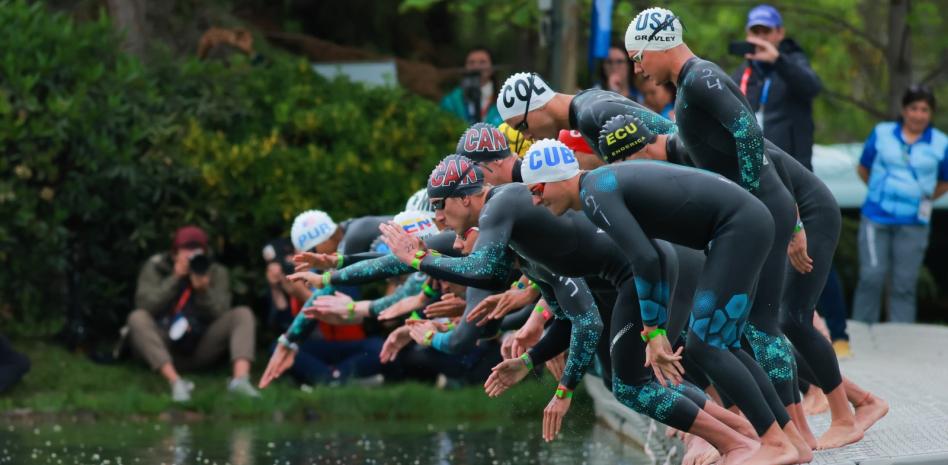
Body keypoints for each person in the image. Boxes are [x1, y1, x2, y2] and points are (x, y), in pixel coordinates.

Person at [521, 137, 803, 465]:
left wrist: (654, 332)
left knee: (706, 346)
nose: (535, 202)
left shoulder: (594, 193)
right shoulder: (598, 186)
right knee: (723, 343)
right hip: (742, 223)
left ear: (557, 178)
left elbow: (645, 259)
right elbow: (652, 254)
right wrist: (653, 328)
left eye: (536, 190)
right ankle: (792, 440)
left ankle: (774, 443)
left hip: (737, 227)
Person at [626, 8, 805, 444]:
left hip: (761, 208)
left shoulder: (699, 78)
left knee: (759, 327)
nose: (638, 69)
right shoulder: (692, 82)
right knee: (746, 329)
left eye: (638, 57)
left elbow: (748, 133)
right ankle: (793, 435)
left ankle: (796, 436)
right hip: (761, 207)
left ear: (657, 45)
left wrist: (750, 200)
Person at [127, 225, 258, 402]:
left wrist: (203, 291)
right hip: (163, 344)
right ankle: (175, 381)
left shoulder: (215, 272)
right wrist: (175, 278)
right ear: (174, 253)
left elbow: (221, 313)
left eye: (197, 249)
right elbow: (145, 305)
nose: (191, 255)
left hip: (201, 343)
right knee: (137, 318)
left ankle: (240, 381)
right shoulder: (156, 267)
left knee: (242, 313)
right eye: (186, 249)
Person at [853, 85, 948, 324]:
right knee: (871, 276)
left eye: (924, 110)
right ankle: (861, 333)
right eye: (914, 108)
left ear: (931, 113)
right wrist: (880, 193)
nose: (919, 115)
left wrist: (922, 199)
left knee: (904, 284)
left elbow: (944, 181)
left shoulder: (940, 143)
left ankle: (901, 337)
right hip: (876, 218)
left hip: (914, 223)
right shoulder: (882, 133)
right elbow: (863, 168)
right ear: (904, 110)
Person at [731, 4, 821, 170]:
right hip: (755, 165)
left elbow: (813, 87)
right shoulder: (743, 73)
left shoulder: (794, 60)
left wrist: (777, 60)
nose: (761, 37)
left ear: (780, 33)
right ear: (748, 34)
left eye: (766, 31)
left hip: (792, 167)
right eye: (755, 32)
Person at [440, 47, 503, 126]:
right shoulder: (451, 100)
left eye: (482, 62)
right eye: (471, 62)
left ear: (492, 68)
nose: (476, 66)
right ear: (465, 67)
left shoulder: (505, 99)